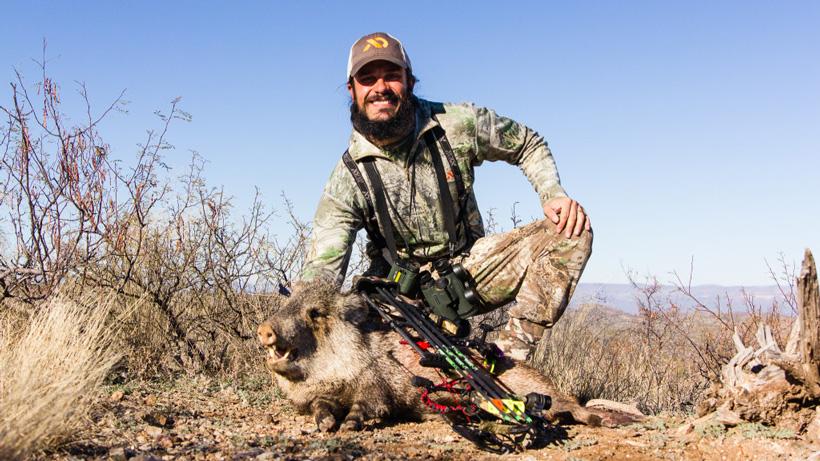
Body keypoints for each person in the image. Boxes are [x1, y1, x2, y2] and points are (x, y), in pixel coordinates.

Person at [301, 32, 592, 362]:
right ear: (352, 90)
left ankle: (505, 358)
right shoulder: (345, 179)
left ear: (409, 82)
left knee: (571, 229)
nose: (380, 88)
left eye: (392, 76)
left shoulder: (458, 124)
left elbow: (528, 143)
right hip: (398, 295)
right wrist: (298, 316)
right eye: (367, 79)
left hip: (472, 271)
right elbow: (321, 272)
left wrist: (553, 193)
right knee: (364, 357)